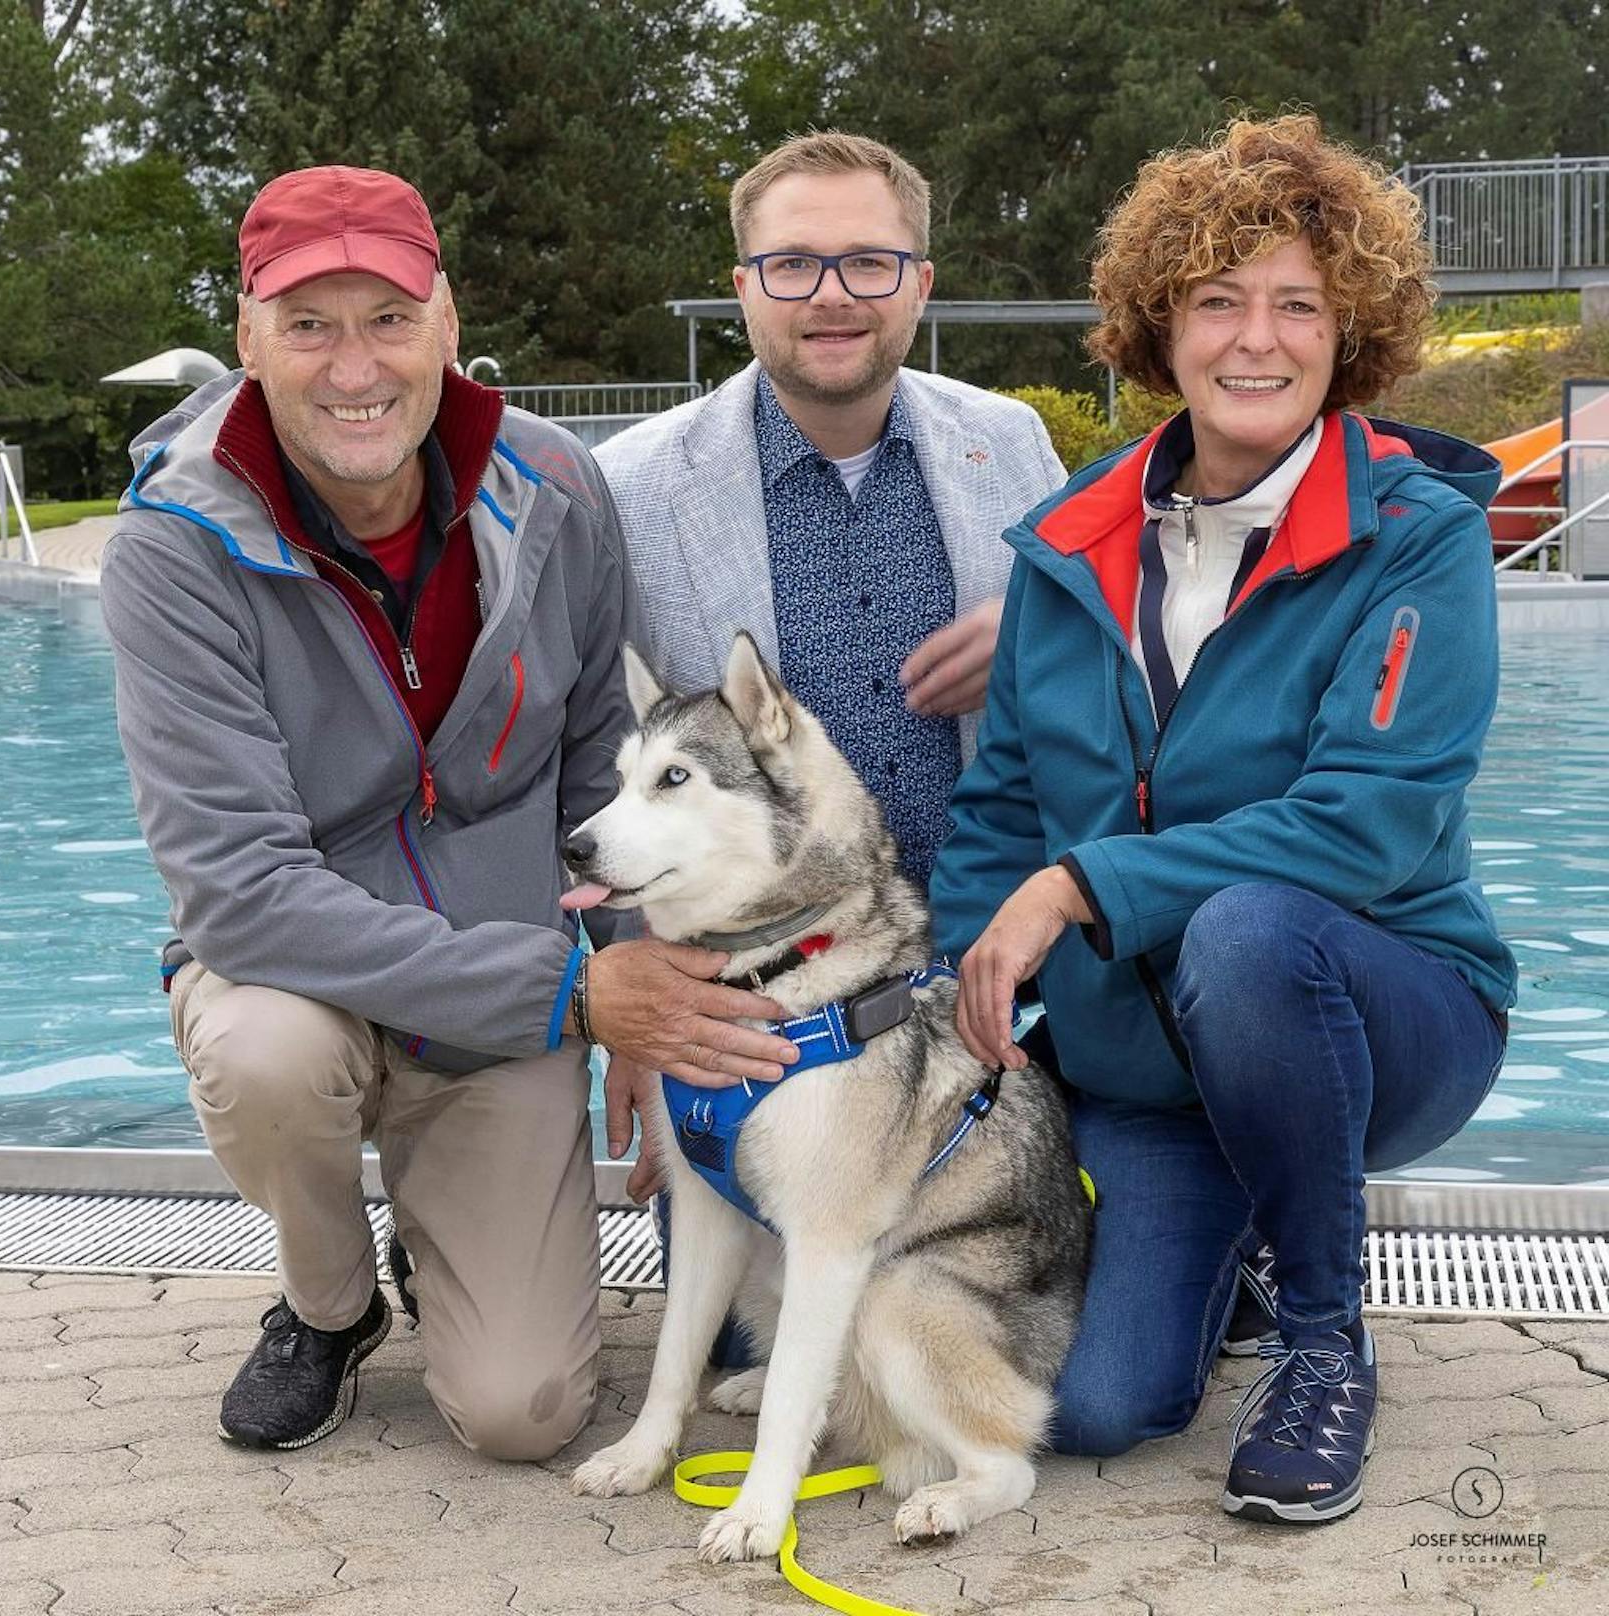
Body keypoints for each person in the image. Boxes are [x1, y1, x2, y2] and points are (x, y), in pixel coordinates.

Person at [100, 165, 798, 1460]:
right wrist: (578, 1002)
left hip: (498, 1000)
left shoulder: (556, 487)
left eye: (387, 316)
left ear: (447, 321)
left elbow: (605, 746)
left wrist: (634, 963)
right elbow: (238, 894)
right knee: (264, 1053)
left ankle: (449, 1249)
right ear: (248, 338)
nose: (352, 364)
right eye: (308, 324)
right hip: (300, 983)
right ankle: (330, 1302)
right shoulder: (172, 550)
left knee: (524, 1417)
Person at [931, 114, 1518, 1524]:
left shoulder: (1419, 537)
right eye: (1218, 301)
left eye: (1298, 306)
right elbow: (1001, 811)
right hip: (1147, 1069)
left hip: (1386, 1012)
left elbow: (1365, 829)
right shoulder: (1069, 544)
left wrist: (1081, 887)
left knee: (1253, 936)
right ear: (1161, 324)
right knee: (1094, 1408)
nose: (1257, 340)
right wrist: (953, 1008)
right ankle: (1235, 1250)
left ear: (1349, 332)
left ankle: (1325, 1343)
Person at [596, 130, 1065, 1199]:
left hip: (989, 979)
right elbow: (604, 759)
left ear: (918, 284)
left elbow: (1111, 694)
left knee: (1081, 1344)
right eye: (792, 264)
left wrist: (1039, 638)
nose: (831, 295)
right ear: (743, 287)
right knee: (736, 1336)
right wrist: (634, 1010)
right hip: (761, 1003)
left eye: (868, 262)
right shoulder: (626, 488)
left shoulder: (1013, 446)